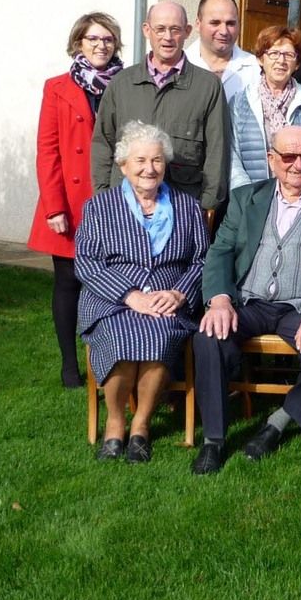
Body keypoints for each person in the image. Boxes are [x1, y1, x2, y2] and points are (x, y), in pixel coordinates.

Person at [191, 126, 301, 475]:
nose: (298, 165)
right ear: (271, 159)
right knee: (208, 337)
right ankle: (214, 441)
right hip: (247, 303)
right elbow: (219, 253)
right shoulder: (245, 198)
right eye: (288, 157)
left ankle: (278, 421)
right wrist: (220, 300)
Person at [75, 121, 209, 462]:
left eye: (157, 160)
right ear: (123, 166)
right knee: (119, 338)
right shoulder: (99, 208)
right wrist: (130, 296)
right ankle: (115, 424)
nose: (149, 169)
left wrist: (179, 294)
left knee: (160, 336)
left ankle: (141, 426)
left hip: (168, 302)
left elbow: (202, 261)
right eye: (140, 161)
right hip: (113, 303)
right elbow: (87, 263)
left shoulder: (188, 207)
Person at [27, 12, 126, 388]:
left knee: (113, 280)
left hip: (116, 197)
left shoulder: (127, 83)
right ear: (78, 43)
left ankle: (111, 356)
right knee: (68, 282)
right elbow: (47, 150)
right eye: (93, 39)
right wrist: (54, 207)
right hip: (69, 201)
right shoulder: (57, 87)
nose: (101, 45)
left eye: (108, 39)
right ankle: (70, 364)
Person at [91, 1, 227, 210]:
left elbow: (218, 151)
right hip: (125, 206)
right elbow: (103, 144)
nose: (168, 37)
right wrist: (104, 197)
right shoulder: (121, 83)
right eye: (160, 29)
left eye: (175, 29)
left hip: (183, 206)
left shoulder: (208, 86)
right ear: (147, 30)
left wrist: (205, 206)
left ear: (188, 31)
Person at [229, 25, 301, 190]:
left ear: (297, 63)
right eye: (274, 53)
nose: (281, 61)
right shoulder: (240, 102)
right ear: (261, 59)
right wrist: (247, 198)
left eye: (289, 55)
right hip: (251, 200)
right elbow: (233, 157)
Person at [184, 0, 261, 102]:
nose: (224, 31)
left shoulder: (255, 69)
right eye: (215, 23)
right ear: (198, 24)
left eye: (230, 23)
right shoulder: (179, 65)